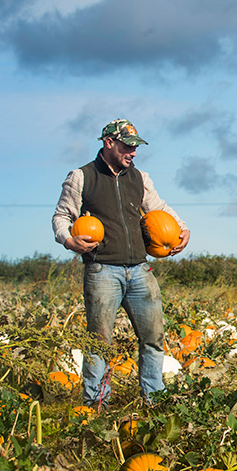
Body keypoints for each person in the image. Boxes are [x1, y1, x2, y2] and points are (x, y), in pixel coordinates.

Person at [52, 119, 190, 409]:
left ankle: (154, 401)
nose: (134, 153)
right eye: (128, 146)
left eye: (136, 147)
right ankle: (97, 405)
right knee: (99, 343)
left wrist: (182, 228)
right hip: (102, 270)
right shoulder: (82, 177)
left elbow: (159, 208)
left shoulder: (140, 178)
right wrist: (68, 240)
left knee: (153, 338)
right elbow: (62, 217)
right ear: (109, 143)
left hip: (140, 270)